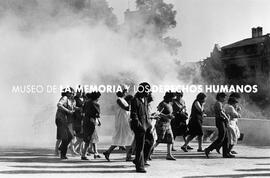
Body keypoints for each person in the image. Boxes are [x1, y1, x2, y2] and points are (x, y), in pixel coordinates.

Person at [103, 91, 134, 162]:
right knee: (124, 138)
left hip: (125, 122)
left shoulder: (124, 101)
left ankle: (108, 152)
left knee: (126, 138)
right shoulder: (119, 100)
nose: (125, 92)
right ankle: (127, 156)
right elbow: (126, 108)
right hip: (121, 122)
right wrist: (132, 104)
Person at [130, 82, 153, 173]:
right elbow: (134, 115)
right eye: (147, 90)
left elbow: (146, 112)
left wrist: (149, 124)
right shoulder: (135, 100)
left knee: (150, 142)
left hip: (147, 126)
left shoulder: (145, 99)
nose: (149, 92)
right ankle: (139, 167)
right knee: (140, 147)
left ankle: (139, 160)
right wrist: (139, 126)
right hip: (140, 127)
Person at [205, 93, 235, 158]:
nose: (224, 98)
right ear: (220, 97)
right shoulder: (218, 103)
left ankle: (225, 153)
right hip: (220, 121)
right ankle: (208, 149)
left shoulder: (220, 103)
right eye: (223, 97)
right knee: (221, 137)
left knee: (226, 138)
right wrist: (226, 118)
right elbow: (221, 112)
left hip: (223, 121)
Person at [152, 91, 176, 160]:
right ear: (168, 98)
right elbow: (158, 113)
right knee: (159, 139)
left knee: (170, 139)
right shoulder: (162, 104)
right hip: (161, 124)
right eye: (172, 98)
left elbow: (170, 113)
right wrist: (166, 116)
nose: (173, 99)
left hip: (168, 124)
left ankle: (169, 154)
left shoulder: (170, 104)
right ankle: (149, 152)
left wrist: (171, 116)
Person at [55, 87, 75, 159]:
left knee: (69, 136)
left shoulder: (68, 100)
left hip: (63, 120)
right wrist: (68, 111)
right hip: (60, 119)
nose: (72, 94)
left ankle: (61, 148)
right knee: (66, 137)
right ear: (68, 93)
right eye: (71, 93)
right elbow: (59, 104)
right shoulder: (65, 97)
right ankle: (63, 154)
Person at [81, 91, 101, 160]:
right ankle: (83, 155)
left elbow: (83, 111)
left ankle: (96, 152)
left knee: (93, 137)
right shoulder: (95, 104)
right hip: (91, 122)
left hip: (86, 121)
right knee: (89, 139)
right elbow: (97, 114)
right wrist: (97, 120)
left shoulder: (86, 103)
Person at [72, 88, 85, 155]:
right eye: (78, 92)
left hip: (82, 119)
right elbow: (73, 107)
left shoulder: (83, 98)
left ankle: (79, 150)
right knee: (80, 136)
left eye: (80, 91)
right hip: (77, 119)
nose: (79, 93)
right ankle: (73, 147)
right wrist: (79, 108)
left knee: (81, 136)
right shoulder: (75, 99)